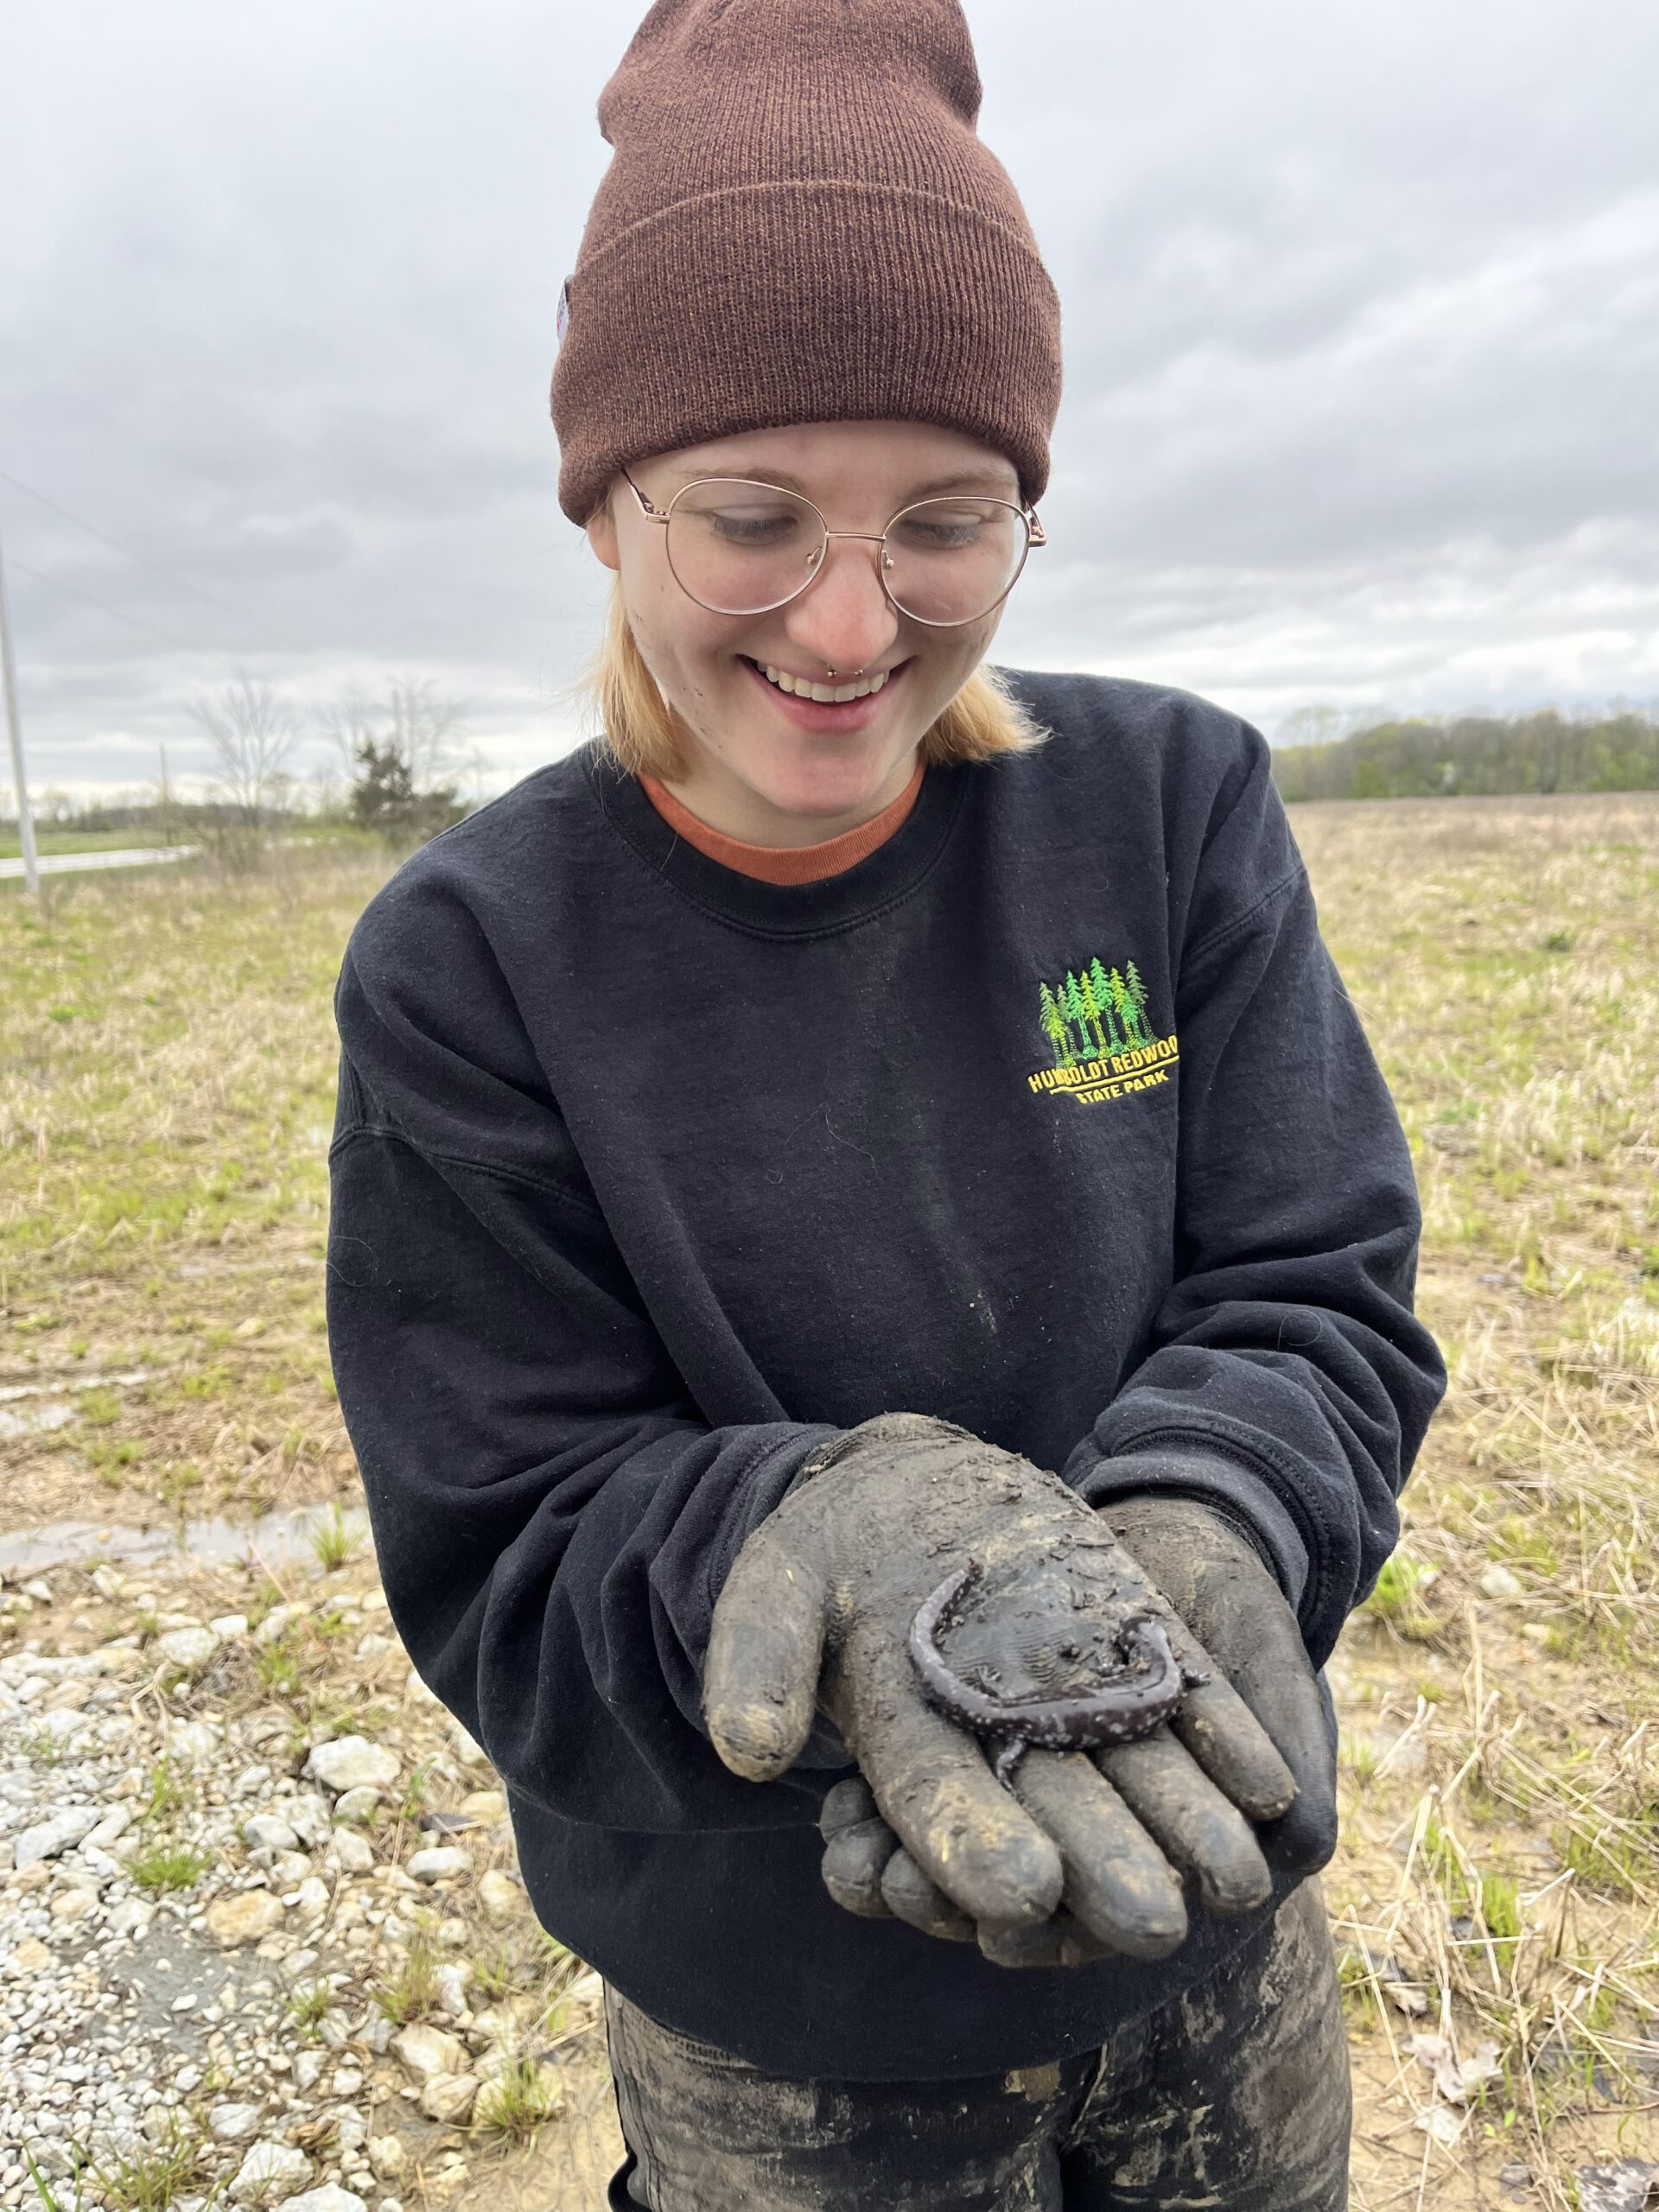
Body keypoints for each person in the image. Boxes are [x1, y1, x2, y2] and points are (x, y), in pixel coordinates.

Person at [325, 3, 1446, 2205]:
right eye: (754, 517)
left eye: (948, 520)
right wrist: (814, 1532)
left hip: (1206, 1903)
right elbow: (508, 1543)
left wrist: (1214, 1517)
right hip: (775, 1989)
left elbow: (1319, 1282)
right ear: (604, 510)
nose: (852, 621)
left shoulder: (1169, 806)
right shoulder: (473, 961)